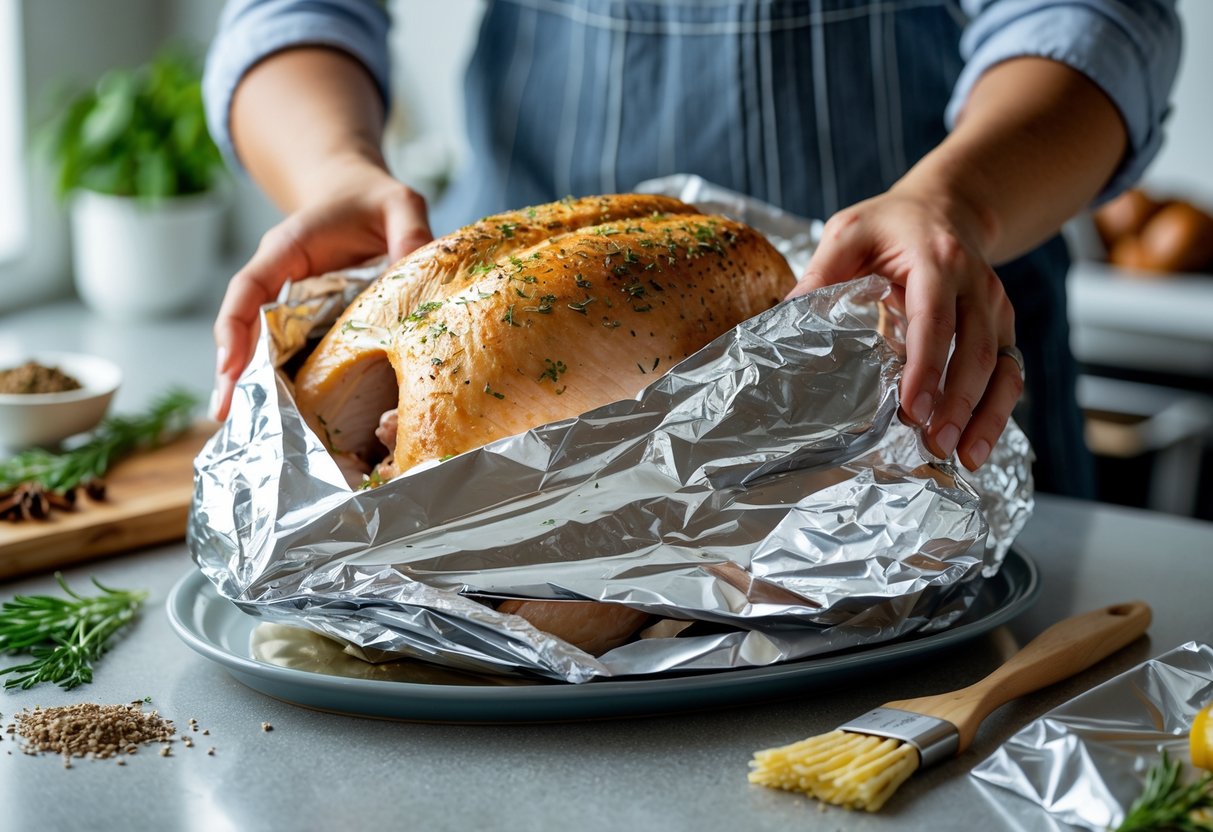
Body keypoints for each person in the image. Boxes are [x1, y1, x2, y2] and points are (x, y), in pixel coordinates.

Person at [202, 0, 1181, 497]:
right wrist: (332, 169)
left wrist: (954, 200)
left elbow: (1098, 19)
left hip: (915, 346)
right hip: (469, 312)